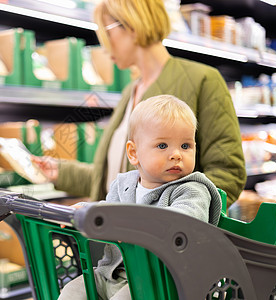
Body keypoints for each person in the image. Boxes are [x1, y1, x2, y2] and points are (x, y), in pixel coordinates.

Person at [32, 0, 246, 206]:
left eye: (107, 32)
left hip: (162, 239)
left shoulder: (203, 80)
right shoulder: (130, 91)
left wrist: (172, 218)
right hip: (118, 236)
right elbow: (121, 178)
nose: (104, 47)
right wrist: (60, 171)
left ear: (131, 24)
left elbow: (228, 175)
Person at [57, 94, 223, 300]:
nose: (177, 154)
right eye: (162, 146)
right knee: (73, 290)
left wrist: (129, 225)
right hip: (111, 274)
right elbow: (107, 211)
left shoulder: (192, 190)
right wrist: (85, 210)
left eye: (186, 146)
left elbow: (184, 222)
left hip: (162, 282)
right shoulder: (123, 185)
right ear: (134, 153)